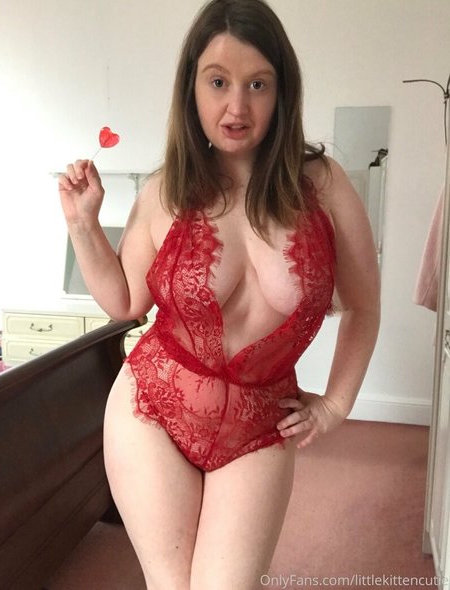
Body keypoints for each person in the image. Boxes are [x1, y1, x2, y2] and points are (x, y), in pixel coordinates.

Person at [58, 0, 380, 588]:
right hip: (151, 409)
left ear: (282, 91)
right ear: (192, 88)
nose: (237, 106)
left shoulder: (324, 186)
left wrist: (336, 405)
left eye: (258, 83)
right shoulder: (165, 190)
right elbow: (125, 302)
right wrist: (83, 225)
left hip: (260, 423)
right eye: (218, 82)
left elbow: (364, 304)